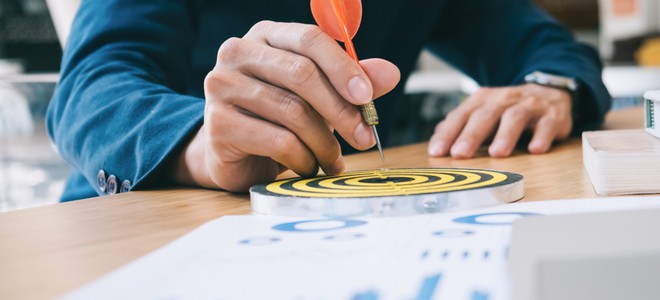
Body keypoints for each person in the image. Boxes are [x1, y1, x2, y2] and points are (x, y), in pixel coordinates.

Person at [47, 0, 611, 201]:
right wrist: (203, 145)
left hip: (342, 212)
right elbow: (91, 89)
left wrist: (548, 87)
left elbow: (539, 44)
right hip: (144, 217)